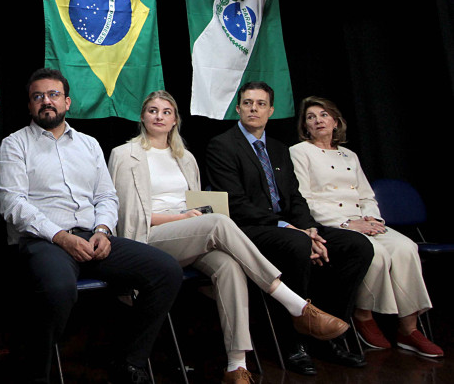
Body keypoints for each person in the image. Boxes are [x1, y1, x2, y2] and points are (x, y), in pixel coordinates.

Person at [109, 91, 349, 383]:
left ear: (175, 120)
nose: (159, 116)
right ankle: (295, 304)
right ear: (143, 117)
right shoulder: (125, 154)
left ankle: (237, 366)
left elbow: (195, 205)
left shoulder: (185, 158)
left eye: (166, 111)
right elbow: (127, 216)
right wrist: (180, 218)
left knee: (230, 266)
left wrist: (192, 216)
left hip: (189, 233)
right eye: (152, 110)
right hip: (149, 238)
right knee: (218, 223)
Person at [0, 68, 182, 384]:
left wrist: (104, 230)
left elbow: (107, 195)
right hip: (45, 241)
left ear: (67, 102)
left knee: (166, 271)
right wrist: (62, 237)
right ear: (29, 106)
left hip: (94, 237)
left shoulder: (89, 144)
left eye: (53, 95)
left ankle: (129, 361)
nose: (46, 101)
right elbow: (13, 206)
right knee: (57, 288)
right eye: (37, 96)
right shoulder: (14, 146)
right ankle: (36, 374)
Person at [206, 81, 374, 376]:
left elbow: (295, 197)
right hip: (248, 230)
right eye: (247, 103)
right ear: (238, 108)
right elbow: (236, 203)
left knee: (357, 246)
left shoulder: (279, 149)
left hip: (291, 226)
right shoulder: (222, 145)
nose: (253, 108)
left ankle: (326, 334)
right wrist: (291, 228)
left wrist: (309, 228)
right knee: (295, 245)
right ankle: (292, 344)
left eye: (260, 104)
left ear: (270, 110)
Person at [290, 96, 442, 357]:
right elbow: (305, 198)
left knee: (406, 247)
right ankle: (364, 314)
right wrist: (348, 223)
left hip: (363, 220)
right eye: (311, 117)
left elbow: (366, 195)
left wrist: (372, 219)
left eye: (324, 115)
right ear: (306, 126)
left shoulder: (349, 154)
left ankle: (408, 328)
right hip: (331, 223)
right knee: (377, 253)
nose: (318, 120)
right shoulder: (299, 151)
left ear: (336, 121)